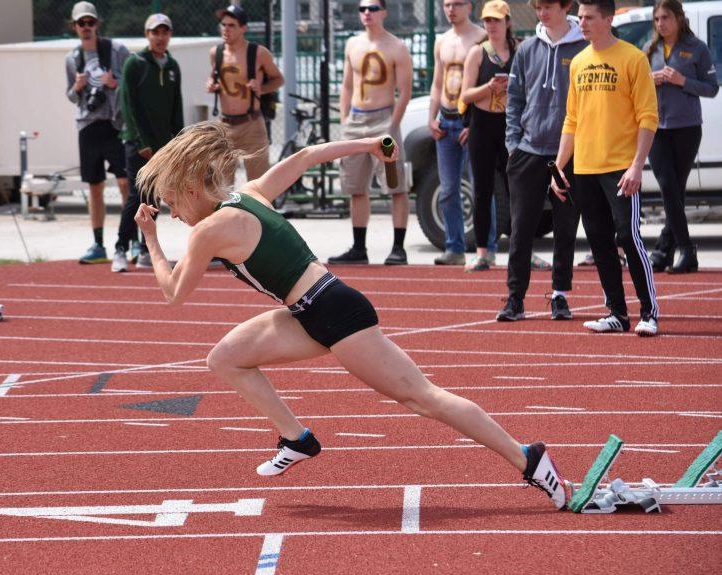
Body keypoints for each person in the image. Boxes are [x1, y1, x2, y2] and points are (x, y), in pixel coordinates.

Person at [131, 121, 569, 511]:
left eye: (171, 203)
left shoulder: (208, 230)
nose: (173, 214)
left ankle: (527, 458)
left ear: (191, 190)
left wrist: (150, 238)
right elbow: (306, 156)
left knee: (421, 397)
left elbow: (172, 292)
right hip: (306, 311)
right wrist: (367, 144)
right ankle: (296, 438)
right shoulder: (249, 194)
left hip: (334, 311)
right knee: (225, 358)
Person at [551, 0, 660, 337]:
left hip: (621, 168)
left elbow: (648, 117)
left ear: (608, 19)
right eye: (580, 17)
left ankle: (649, 312)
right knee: (598, 241)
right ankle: (616, 313)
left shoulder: (633, 58)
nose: (581, 23)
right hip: (585, 168)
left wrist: (637, 166)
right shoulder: (579, 62)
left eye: (589, 17)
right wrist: (559, 168)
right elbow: (572, 119)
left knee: (628, 237)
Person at [497, 0, 586, 321]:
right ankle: (514, 298)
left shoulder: (584, 47)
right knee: (521, 229)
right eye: (537, 7)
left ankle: (560, 296)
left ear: (565, 7)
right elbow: (515, 99)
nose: (542, 13)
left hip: (571, 154)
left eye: (548, 6)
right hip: (528, 153)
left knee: (566, 227)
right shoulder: (527, 49)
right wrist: (513, 145)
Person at [328, 0, 413, 266]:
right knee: (355, 186)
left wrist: (391, 125)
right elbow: (346, 85)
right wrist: (345, 121)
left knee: (395, 185)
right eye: (363, 9)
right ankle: (359, 247)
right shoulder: (353, 44)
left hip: (383, 119)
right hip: (356, 120)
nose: (367, 13)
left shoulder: (397, 47)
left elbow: (405, 92)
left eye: (373, 8)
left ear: (384, 12)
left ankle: (398, 248)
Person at [645, 0, 718, 274]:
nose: (661, 23)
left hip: (687, 128)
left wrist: (681, 81)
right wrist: (650, 78)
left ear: (678, 18)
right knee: (667, 186)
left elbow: (711, 88)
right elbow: (636, 83)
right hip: (656, 128)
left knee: (675, 190)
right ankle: (686, 250)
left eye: (666, 17)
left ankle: (664, 250)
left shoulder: (696, 48)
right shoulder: (650, 49)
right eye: (657, 19)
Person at [64, 1, 131, 270]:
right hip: (88, 125)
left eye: (91, 22)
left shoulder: (116, 50)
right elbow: (70, 95)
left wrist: (116, 84)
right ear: (74, 27)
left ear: (97, 25)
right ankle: (98, 243)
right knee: (95, 187)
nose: (87, 27)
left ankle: (130, 240)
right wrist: (78, 87)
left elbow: (133, 81)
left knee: (126, 183)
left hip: (114, 123)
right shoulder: (72, 58)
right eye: (82, 23)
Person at [118, 13, 184, 269]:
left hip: (162, 147)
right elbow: (129, 106)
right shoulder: (134, 64)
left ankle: (146, 250)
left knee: (152, 197)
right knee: (136, 196)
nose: (160, 37)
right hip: (137, 144)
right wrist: (142, 141)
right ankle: (121, 248)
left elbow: (176, 107)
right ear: (147, 35)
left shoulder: (172, 67)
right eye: (155, 32)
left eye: (164, 32)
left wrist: (179, 142)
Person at [459, 0, 516, 272]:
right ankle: (483, 252)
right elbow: (465, 95)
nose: (491, 25)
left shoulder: (519, 50)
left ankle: (521, 249)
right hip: (482, 124)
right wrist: (489, 87)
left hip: (511, 124)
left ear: (507, 21)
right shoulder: (478, 53)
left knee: (517, 188)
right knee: (483, 190)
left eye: (496, 20)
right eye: (487, 20)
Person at [428, 0, 485, 266]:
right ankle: (455, 247)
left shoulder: (481, 37)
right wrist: (432, 117)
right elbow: (437, 82)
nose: (452, 9)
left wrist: (474, 124)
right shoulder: (442, 40)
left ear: (470, 7)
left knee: (480, 188)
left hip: (470, 122)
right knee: (449, 189)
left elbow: (484, 84)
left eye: (458, 4)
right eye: (447, 4)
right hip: (445, 120)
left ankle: (487, 247)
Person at [206, 4, 283, 181]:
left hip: (252, 124)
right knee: (222, 185)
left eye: (231, 25)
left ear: (243, 28)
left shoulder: (258, 53)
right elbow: (213, 76)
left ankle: (255, 210)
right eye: (223, 25)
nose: (226, 29)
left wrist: (261, 88)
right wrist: (211, 84)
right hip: (224, 125)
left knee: (258, 185)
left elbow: (278, 79)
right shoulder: (215, 53)